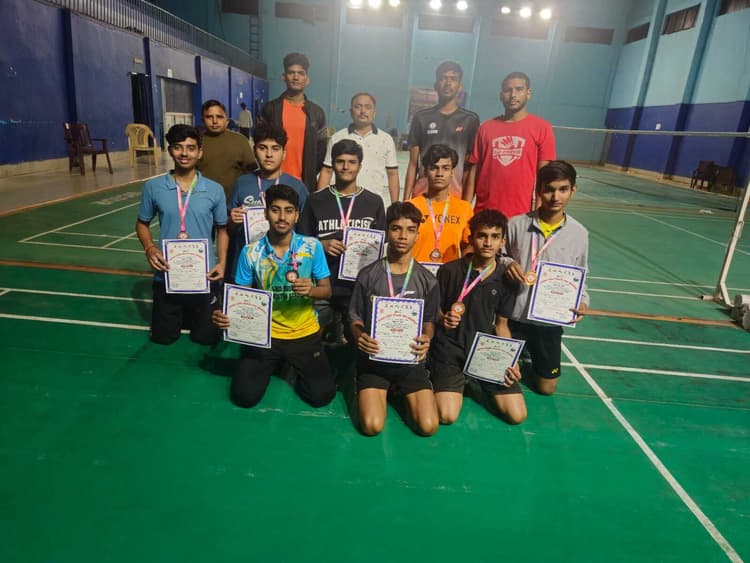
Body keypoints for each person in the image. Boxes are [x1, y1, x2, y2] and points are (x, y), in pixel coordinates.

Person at [212, 185, 336, 408]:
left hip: (303, 332)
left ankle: (290, 364)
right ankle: (276, 363)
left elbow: (327, 290)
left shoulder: (312, 246)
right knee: (244, 397)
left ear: (297, 215)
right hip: (263, 334)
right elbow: (241, 296)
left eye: (289, 211)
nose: (282, 217)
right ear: (266, 213)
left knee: (321, 397)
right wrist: (225, 315)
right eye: (275, 210)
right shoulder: (251, 252)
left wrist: (311, 290)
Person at [349, 202, 440, 436]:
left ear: (418, 234)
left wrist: (427, 339)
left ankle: (398, 392)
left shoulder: (428, 280)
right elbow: (354, 318)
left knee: (429, 426)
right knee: (372, 426)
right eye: (396, 228)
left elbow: (429, 321)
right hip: (375, 361)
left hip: (410, 362)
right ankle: (372, 388)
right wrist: (360, 337)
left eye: (410, 230)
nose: (402, 236)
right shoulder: (368, 275)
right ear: (387, 230)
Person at [429, 210, 526, 425]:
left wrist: (511, 360)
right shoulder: (449, 271)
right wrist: (443, 318)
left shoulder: (507, 279)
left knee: (517, 415)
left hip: (486, 351)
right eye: (482, 236)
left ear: (502, 241)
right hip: (451, 349)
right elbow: (434, 311)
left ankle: (476, 379)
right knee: (446, 416)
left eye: (494, 237)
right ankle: (457, 378)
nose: (488, 243)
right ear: (471, 238)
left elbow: (501, 325)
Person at [135, 124, 228, 345]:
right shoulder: (153, 187)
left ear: (200, 152)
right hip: (167, 275)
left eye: (191, 148)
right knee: (163, 338)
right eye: (178, 147)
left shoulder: (214, 189)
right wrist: (150, 248)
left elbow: (223, 230)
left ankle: (193, 314)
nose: (184, 153)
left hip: (204, 276)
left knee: (206, 338)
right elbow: (142, 224)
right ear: (170, 150)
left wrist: (222, 263)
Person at [503, 161, 588, 396]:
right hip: (514, 316)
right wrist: (507, 263)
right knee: (497, 375)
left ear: (573, 190)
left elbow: (581, 272)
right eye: (549, 189)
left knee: (546, 388)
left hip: (548, 320)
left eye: (563, 189)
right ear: (539, 190)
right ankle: (519, 354)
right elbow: (499, 256)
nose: (555, 196)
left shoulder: (579, 234)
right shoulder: (516, 224)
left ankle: (527, 356)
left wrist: (583, 301)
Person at [298, 139, 386, 344]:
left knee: (357, 342)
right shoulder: (316, 200)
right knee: (311, 340)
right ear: (333, 164)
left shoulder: (373, 202)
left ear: (360, 165)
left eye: (352, 162)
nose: (346, 167)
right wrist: (321, 245)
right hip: (322, 283)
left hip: (357, 287)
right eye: (340, 161)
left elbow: (379, 245)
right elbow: (300, 241)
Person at [464, 71, 556, 218]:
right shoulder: (485, 128)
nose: (513, 95)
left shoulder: (542, 128)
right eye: (508, 90)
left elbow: (544, 176)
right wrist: (465, 209)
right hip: (484, 215)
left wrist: (539, 214)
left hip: (520, 217)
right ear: (501, 95)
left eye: (519, 89)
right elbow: (474, 172)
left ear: (528, 94)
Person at [225, 123, 309, 282]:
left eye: (275, 149)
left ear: (284, 153)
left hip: (281, 270)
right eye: (262, 148)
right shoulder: (242, 183)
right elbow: (228, 230)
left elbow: (305, 232)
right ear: (254, 151)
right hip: (246, 268)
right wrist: (232, 220)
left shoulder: (297, 187)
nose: (269, 154)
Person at [403, 61, 480, 200]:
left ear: (460, 86)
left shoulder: (470, 120)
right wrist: (406, 200)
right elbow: (413, 164)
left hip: (454, 198)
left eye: (453, 79)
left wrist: (466, 204)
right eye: (443, 78)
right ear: (436, 85)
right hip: (422, 196)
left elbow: (469, 168)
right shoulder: (421, 118)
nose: (448, 83)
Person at [317, 92, 400, 207]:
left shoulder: (386, 140)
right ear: (351, 111)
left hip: (373, 204)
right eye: (358, 107)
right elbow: (327, 171)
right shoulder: (337, 138)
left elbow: (392, 175)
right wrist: (319, 203)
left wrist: (395, 206)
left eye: (368, 107)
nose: (363, 111)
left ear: (374, 112)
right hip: (340, 202)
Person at [260, 52, 327, 191]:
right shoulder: (270, 109)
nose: (296, 77)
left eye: (301, 73)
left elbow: (321, 152)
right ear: (284, 77)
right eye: (291, 73)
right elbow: (260, 144)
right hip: (273, 183)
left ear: (307, 79)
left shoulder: (317, 113)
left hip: (304, 185)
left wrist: (309, 174)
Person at [407, 144, 473, 265]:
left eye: (445, 168)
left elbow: (468, 248)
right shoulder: (411, 207)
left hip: (448, 274)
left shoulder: (464, 209)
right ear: (425, 171)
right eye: (434, 168)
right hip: (415, 273)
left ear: (452, 172)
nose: (439, 174)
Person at [198, 99, 256, 201]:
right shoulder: (196, 143)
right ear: (202, 120)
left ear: (227, 120)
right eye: (209, 117)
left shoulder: (240, 141)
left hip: (234, 202)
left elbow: (251, 173)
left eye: (219, 117)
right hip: (203, 201)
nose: (215, 121)